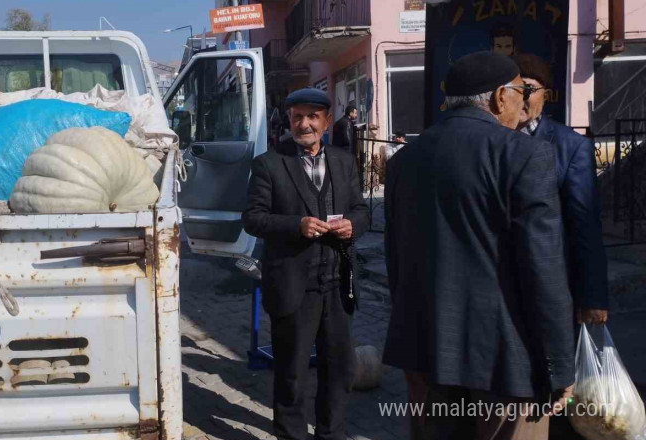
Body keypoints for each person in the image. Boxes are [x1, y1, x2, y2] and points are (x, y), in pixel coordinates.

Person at [383, 52, 575, 440]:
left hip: (426, 347)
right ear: (499, 97)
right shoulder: (524, 153)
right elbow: (543, 267)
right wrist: (559, 366)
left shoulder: (404, 160)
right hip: (505, 359)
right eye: (520, 90)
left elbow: (396, 259)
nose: (524, 101)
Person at [242, 87, 369, 440]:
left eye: (313, 117)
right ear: (289, 120)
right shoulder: (269, 163)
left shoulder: (344, 161)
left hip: (338, 281)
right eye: (298, 116)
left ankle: (331, 434)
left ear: (327, 121)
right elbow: (252, 218)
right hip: (294, 284)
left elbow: (361, 211)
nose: (305, 124)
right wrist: (295, 225)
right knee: (292, 373)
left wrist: (352, 226)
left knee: (339, 369)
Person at [513, 53, 610, 440]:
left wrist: (593, 295)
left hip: (559, 287)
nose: (520, 97)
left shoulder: (569, 146)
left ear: (546, 95)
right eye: (512, 88)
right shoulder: (493, 140)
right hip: (506, 287)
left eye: (528, 89)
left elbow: (584, 223)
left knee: (562, 385)